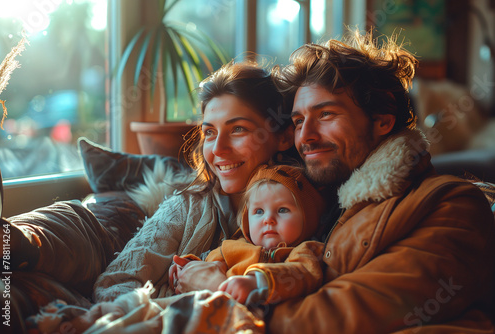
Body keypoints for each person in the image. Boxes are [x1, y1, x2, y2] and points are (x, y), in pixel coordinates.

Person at [175, 30, 495, 333]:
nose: (307, 136)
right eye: (299, 121)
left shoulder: (452, 206)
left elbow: (338, 317)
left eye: (326, 114)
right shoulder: (310, 204)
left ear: (383, 120)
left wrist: (219, 291)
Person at [92, 60, 297, 302]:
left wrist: (218, 287)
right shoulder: (186, 206)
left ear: (283, 137)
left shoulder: (303, 210)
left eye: (238, 129)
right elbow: (113, 285)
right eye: (209, 132)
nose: (218, 149)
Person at [169, 164, 326, 305]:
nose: (268, 220)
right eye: (259, 211)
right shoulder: (234, 246)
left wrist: (257, 283)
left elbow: (303, 273)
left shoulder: (306, 250)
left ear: (308, 218)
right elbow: (209, 263)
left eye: (282, 210)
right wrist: (187, 266)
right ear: (246, 220)